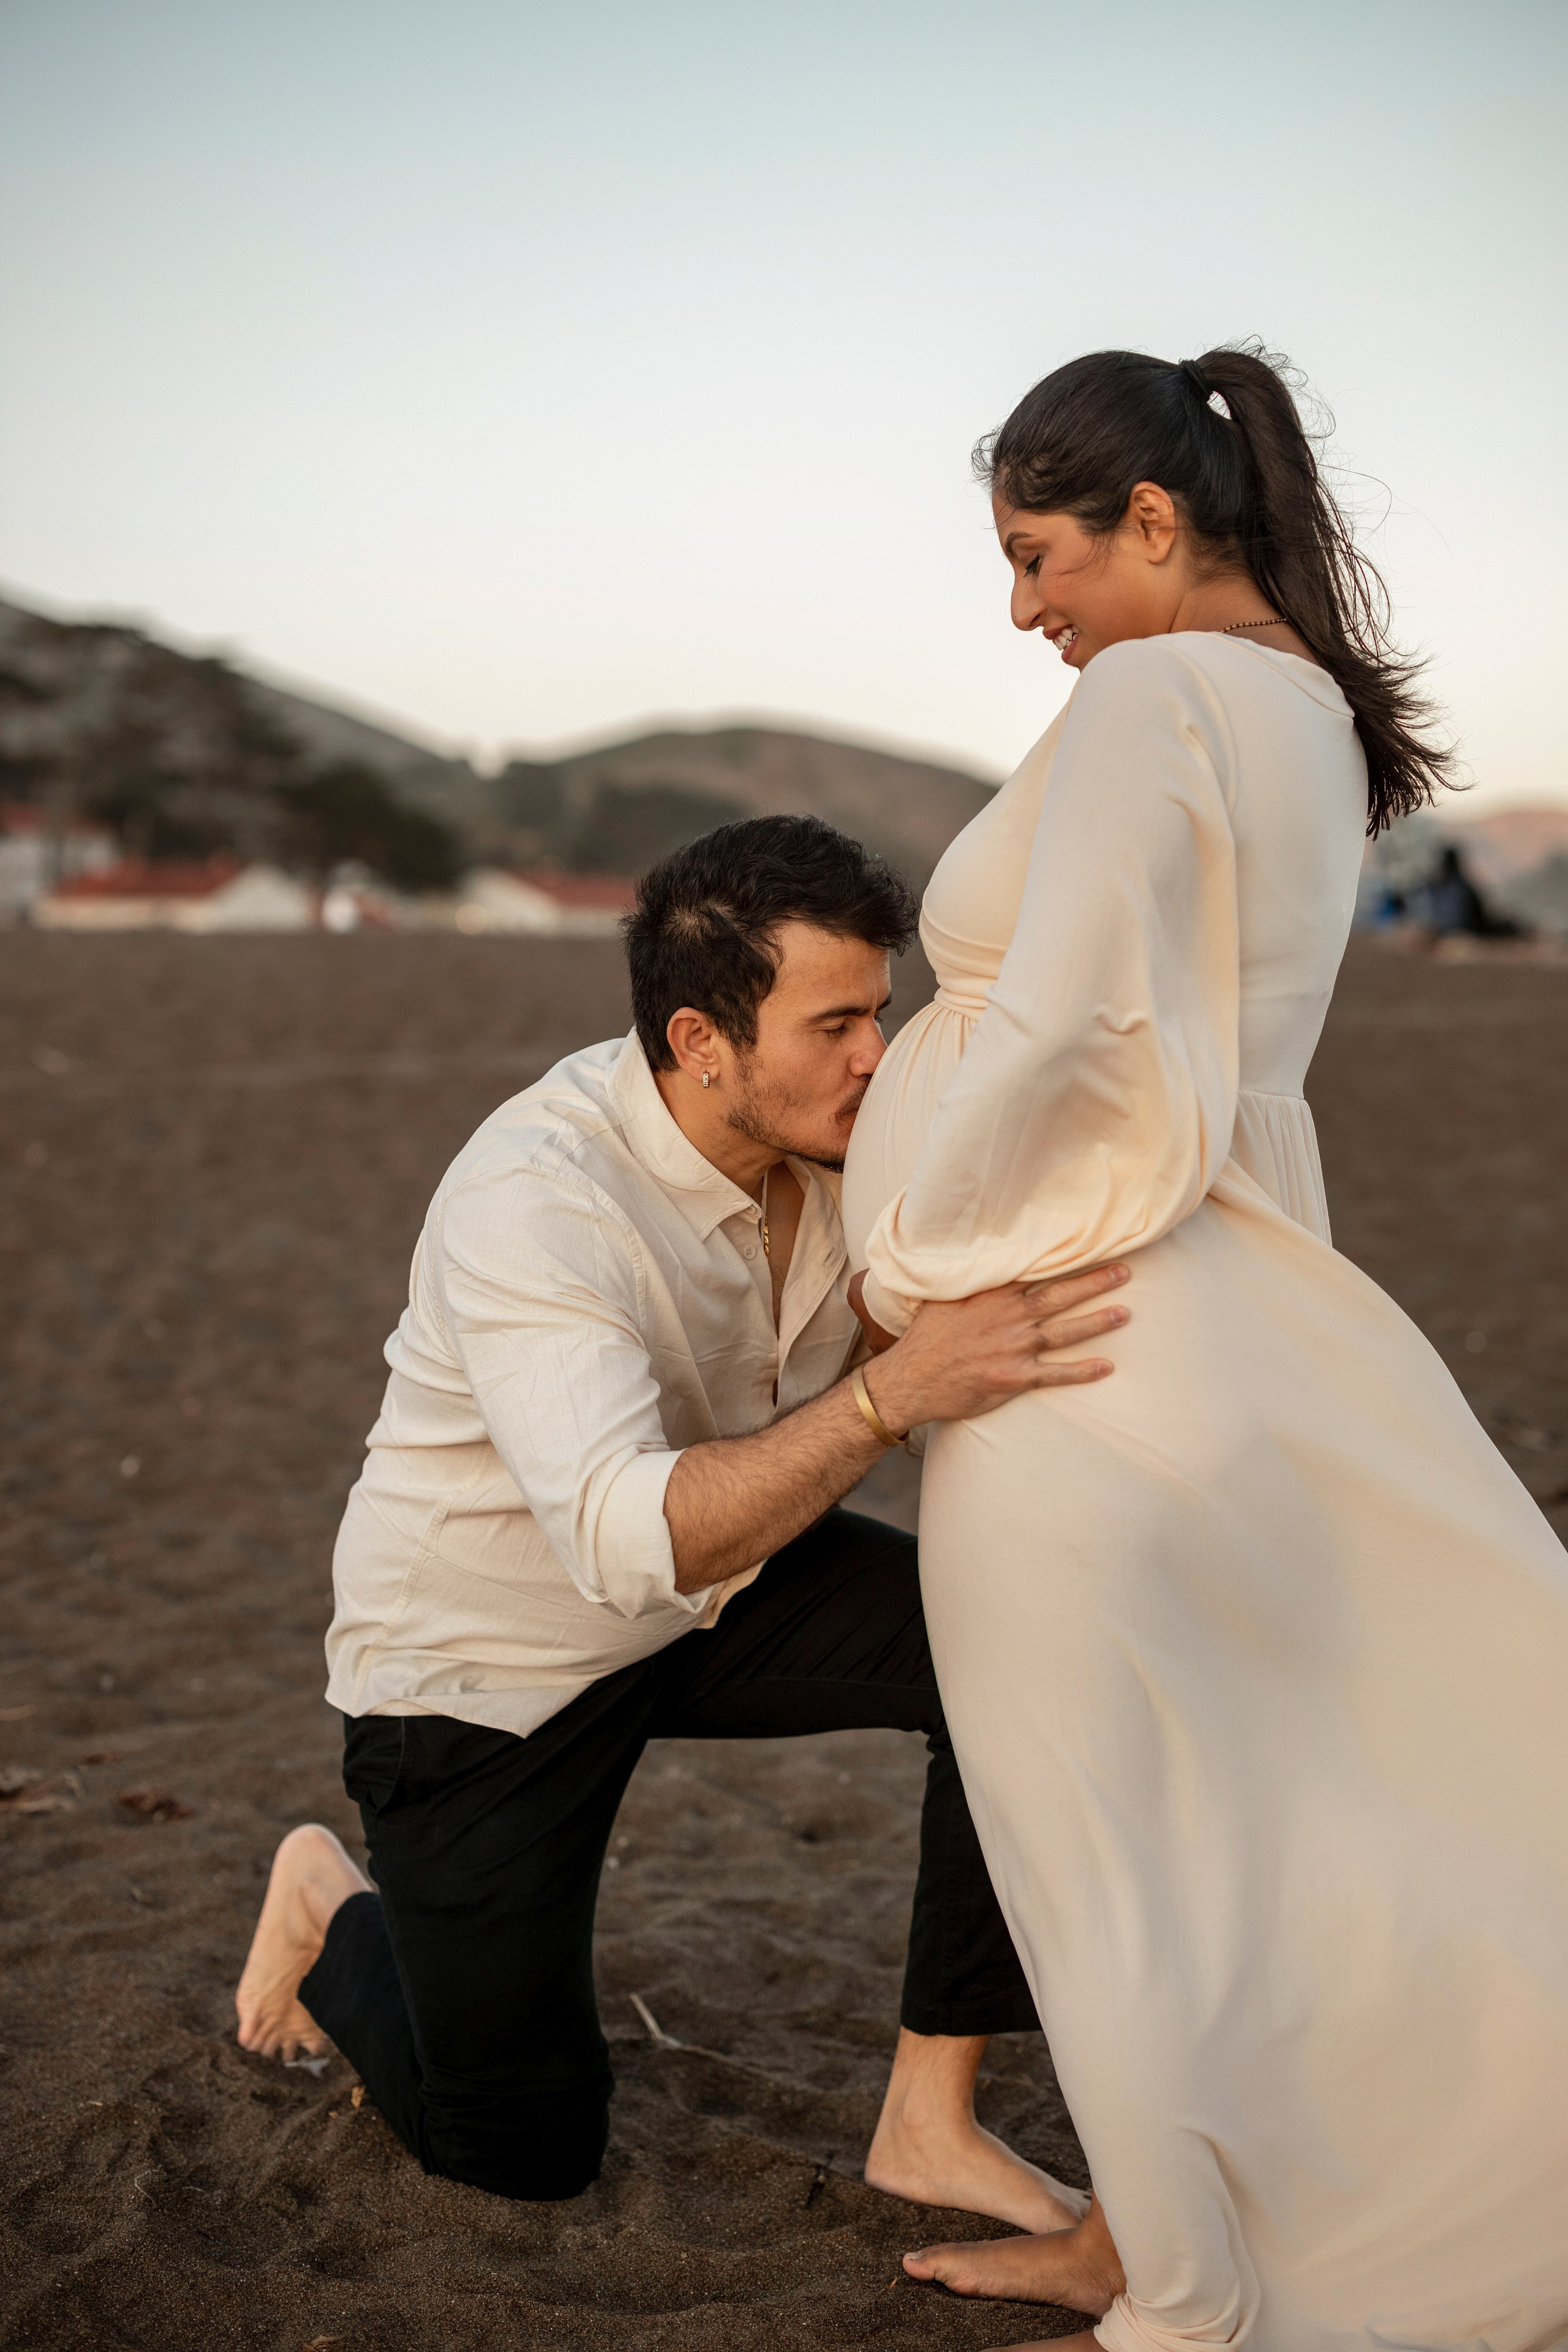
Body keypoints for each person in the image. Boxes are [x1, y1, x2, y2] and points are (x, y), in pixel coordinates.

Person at [840, 345, 1568, 2350]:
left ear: (1155, 520)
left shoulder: (1159, 694)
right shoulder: (1310, 717)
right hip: (1208, 1299)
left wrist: (914, 1252)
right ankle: (1143, 2223)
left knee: (1106, 1835)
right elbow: (1224, 1072)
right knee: (1199, 1813)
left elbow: (1078, 1027)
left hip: (1082, 1335)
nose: (1023, 608)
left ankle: (1186, 2273)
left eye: (1035, 552)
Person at [234, 812, 1134, 2223]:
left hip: (719, 1584)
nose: (873, 1058)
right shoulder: (536, 1199)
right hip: (487, 1670)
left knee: (1024, 1644)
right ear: (702, 1042)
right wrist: (895, 1393)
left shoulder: (854, 1139)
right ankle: (331, 1911)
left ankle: (928, 2120)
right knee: (521, 2152)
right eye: (833, 1023)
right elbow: (623, 1538)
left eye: (878, 1014)